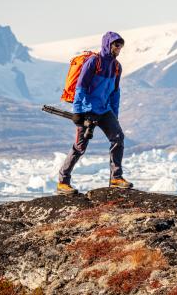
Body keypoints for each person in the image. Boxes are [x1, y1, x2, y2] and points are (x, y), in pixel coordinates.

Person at [57, 31, 133, 195]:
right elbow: (81, 87)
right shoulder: (93, 62)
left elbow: (115, 93)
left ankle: (116, 178)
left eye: (120, 45)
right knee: (80, 147)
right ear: (108, 44)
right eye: (116, 44)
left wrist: (115, 116)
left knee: (118, 137)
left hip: (105, 110)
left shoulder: (117, 67)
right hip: (87, 110)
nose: (119, 48)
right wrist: (77, 111)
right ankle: (63, 182)